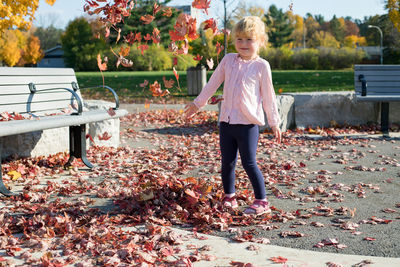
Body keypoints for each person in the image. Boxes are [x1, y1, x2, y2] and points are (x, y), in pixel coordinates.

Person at [184, 16, 281, 215]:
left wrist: (274, 122)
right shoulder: (228, 60)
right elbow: (212, 84)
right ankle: (229, 198)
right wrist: (197, 104)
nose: (243, 44)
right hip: (226, 123)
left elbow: (269, 97)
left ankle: (261, 201)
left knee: (249, 162)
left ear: (260, 41)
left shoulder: (262, 66)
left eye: (249, 39)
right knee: (227, 162)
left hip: (247, 125)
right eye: (240, 39)